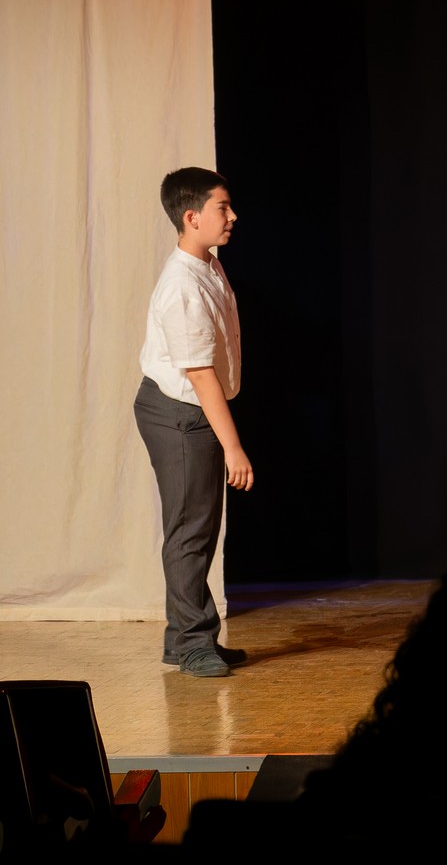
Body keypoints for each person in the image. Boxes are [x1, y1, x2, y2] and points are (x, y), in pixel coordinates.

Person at [132, 167, 252, 678]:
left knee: (197, 528)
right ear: (191, 216)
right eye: (223, 207)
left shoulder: (208, 264)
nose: (232, 216)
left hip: (193, 410)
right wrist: (234, 447)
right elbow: (200, 374)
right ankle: (194, 644)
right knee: (189, 531)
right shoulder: (182, 285)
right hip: (179, 414)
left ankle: (180, 638)